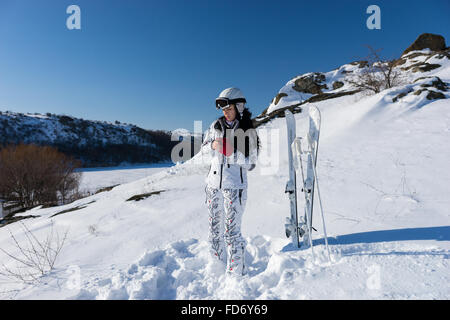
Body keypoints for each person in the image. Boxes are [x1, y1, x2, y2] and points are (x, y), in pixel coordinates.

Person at [201, 87, 259, 276]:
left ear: (239, 106)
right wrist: (212, 144)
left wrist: (231, 152)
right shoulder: (215, 126)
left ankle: (235, 273)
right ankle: (216, 266)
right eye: (223, 108)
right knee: (213, 229)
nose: (225, 111)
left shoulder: (248, 130)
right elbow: (202, 151)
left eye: (228, 107)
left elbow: (251, 162)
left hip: (234, 187)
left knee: (231, 232)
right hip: (213, 185)